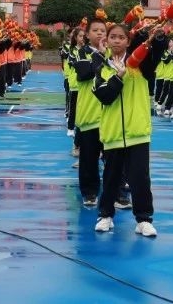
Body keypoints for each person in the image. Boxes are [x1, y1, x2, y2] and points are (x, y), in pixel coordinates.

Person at [92, 23, 167, 237]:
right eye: (113, 37)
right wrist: (118, 77)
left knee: (140, 178)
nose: (117, 40)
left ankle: (143, 219)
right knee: (111, 177)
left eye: (121, 37)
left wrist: (160, 38)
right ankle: (105, 215)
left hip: (137, 131)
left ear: (128, 41)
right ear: (106, 40)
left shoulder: (140, 64)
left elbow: (156, 55)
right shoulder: (101, 67)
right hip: (113, 133)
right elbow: (104, 95)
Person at [71, 18, 108, 206]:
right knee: (89, 159)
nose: (100, 33)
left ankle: (116, 192)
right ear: (87, 34)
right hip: (90, 114)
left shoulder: (112, 53)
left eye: (103, 30)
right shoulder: (80, 53)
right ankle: (90, 192)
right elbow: (85, 73)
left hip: (110, 115)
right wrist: (100, 55)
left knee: (113, 158)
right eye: (95, 30)